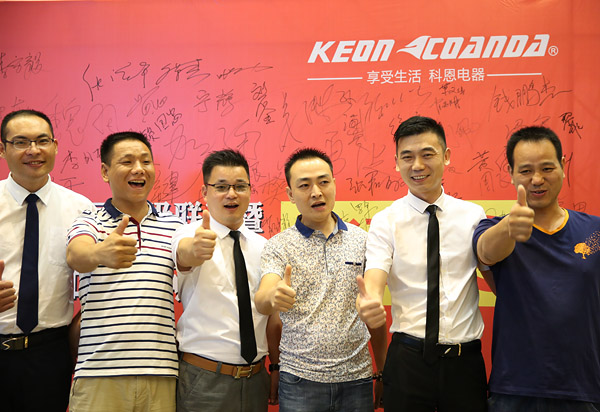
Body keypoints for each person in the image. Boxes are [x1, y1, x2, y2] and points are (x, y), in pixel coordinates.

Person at [358, 116, 489, 411]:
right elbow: (375, 276)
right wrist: (370, 301)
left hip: (464, 362)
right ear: (396, 163)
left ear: (446, 156)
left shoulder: (473, 216)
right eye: (407, 157)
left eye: (427, 154)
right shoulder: (385, 221)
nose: (417, 165)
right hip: (408, 360)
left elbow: (494, 274)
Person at [473, 126, 600, 411]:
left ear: (563, 166)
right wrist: (510, 226)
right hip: (514, 388)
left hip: (583, 387)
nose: (537, 179)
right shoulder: (494, 228)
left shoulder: (595, 232)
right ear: (511, 173)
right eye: (526, 171)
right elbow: (485, 252)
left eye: (547, 168)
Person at [255, 148, 387, 412]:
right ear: (290, 194)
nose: (316, 192)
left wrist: (382, 371)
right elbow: (262, 299)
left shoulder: (363, 241)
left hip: (357, 379)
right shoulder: (279, 245)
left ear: (334, 184)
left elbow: (374, 314)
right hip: (300, 381)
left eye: (323, 182)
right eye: (304, 185)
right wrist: (272, 297)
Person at [66, 131, 182, 412]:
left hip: (160, 372)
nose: (139, 169)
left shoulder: (174, 226)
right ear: (105, 172)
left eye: (145, 161)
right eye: (127, 162)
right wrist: (99, 253)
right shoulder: (90, 219)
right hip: (99, 373)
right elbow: (76, 255)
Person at [172, 149, 281, 412]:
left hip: (256, 377)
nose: (231, 194)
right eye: (221, 187)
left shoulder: (264, 246)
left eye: (240, 186)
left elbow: (271, 316)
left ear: (250, 191)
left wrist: (276, 366)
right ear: (205, 192)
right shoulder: (189, 234)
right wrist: (195, 249)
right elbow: (185, 254)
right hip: (203, 380)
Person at [0, 109, 94, 412]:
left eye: (42, 141)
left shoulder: (80, 209)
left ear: (55, 146)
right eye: (21, 142)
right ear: (2, 149)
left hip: (49, 355)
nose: (34, 150)